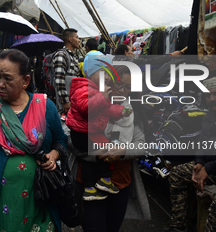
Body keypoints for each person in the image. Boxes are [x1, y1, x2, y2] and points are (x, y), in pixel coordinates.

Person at [0, 49, 67, 232]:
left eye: (8, 79)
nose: (0, 84)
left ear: (26, 81)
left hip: (40, 198)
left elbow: (61, 141)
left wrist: (52, 155)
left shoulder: (45, 108)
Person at [68, 64, 150, 231]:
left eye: (127, 87)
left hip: (119, 182)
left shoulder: (132, 111)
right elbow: (71, 139)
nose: (121, 90)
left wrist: (122, 152)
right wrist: (96, 153)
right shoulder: (88, 102)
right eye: (118, 84)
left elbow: (141, 145)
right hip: (89, 183)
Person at [166, 76, 216, 232]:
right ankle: (178, 226)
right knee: (177, 174)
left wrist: (208, 169)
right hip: (215, 167)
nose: (212, 99)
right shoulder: (211, 114)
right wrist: (199, 164)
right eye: (208, 95)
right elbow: (202, 143)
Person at [66, 52, 131, 201]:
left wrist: (121, 111)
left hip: (89, 132)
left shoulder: (97, 91)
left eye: (108, 74)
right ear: (89, 73)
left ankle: (90, 188)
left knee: (93, 158)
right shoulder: (84, 89)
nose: (107, 78)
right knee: (105, 149)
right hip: (83, 133)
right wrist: (102, 96)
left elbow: (107, 109)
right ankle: (104, 180)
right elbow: (85, 109)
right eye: (102, 73)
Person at [53, 28, 82, 114]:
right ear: (70, 39)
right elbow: (59, 79)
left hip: (72, 100)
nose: (79, 40)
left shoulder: (72, 56)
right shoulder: (61, 55)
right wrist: (65, 101)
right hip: (64, 103)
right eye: (77, 37)